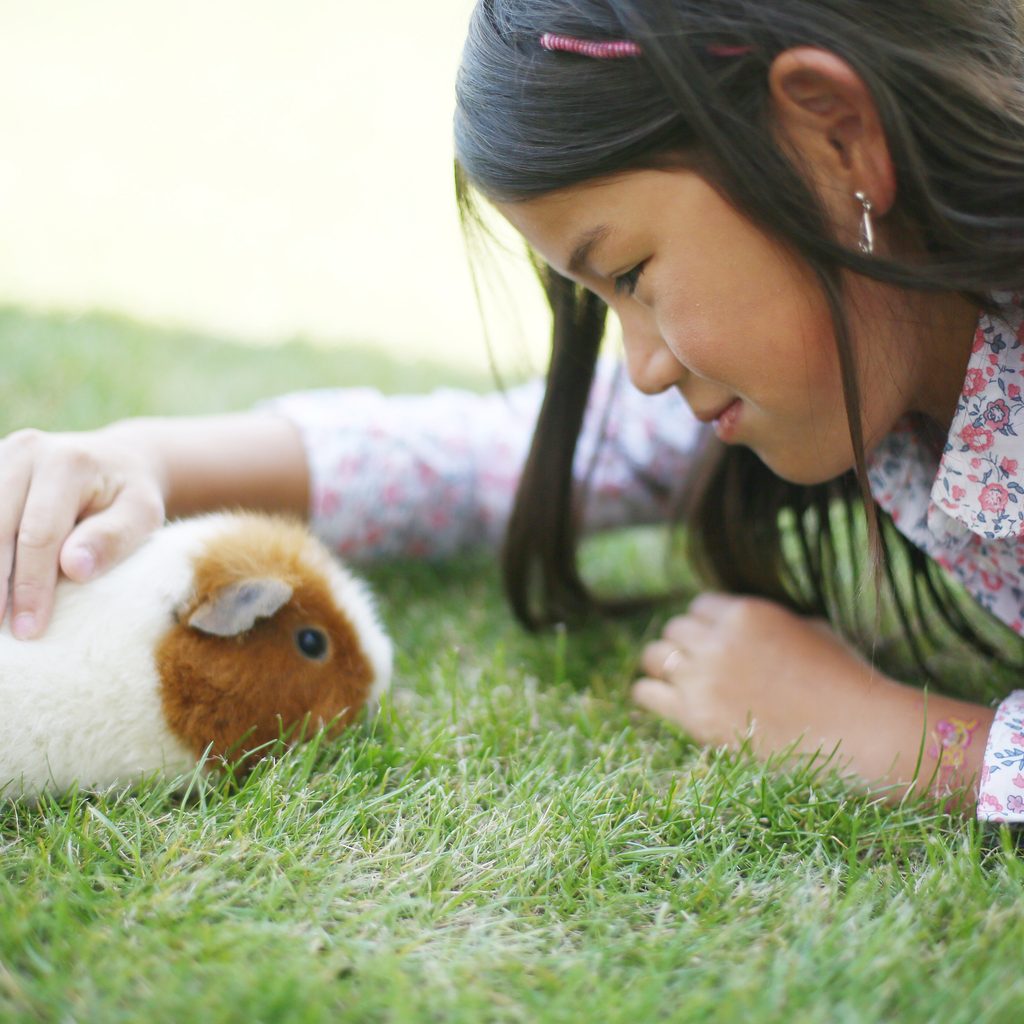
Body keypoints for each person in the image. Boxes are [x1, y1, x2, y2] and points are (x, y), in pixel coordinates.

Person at [2, 0, 1023, 821]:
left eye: (633, 274)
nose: (642, 369)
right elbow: (477, 459)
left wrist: (897, 736)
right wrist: (146, 457)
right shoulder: (833, 361)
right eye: (605, 301)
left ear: (835, 137)